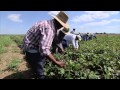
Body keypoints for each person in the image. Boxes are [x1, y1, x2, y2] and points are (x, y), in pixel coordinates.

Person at [22, 11, 69, 79]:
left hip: (29, 47)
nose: (61, 27)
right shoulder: (49, 28)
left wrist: (59, 51)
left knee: (39, 64)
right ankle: (39, 75)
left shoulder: (47, 22)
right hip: (32, 49)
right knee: (40, 73)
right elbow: (44, 49)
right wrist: (56, 62)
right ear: (60, 24)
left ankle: (35, 71)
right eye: (62, 25)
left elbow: (54, 42)